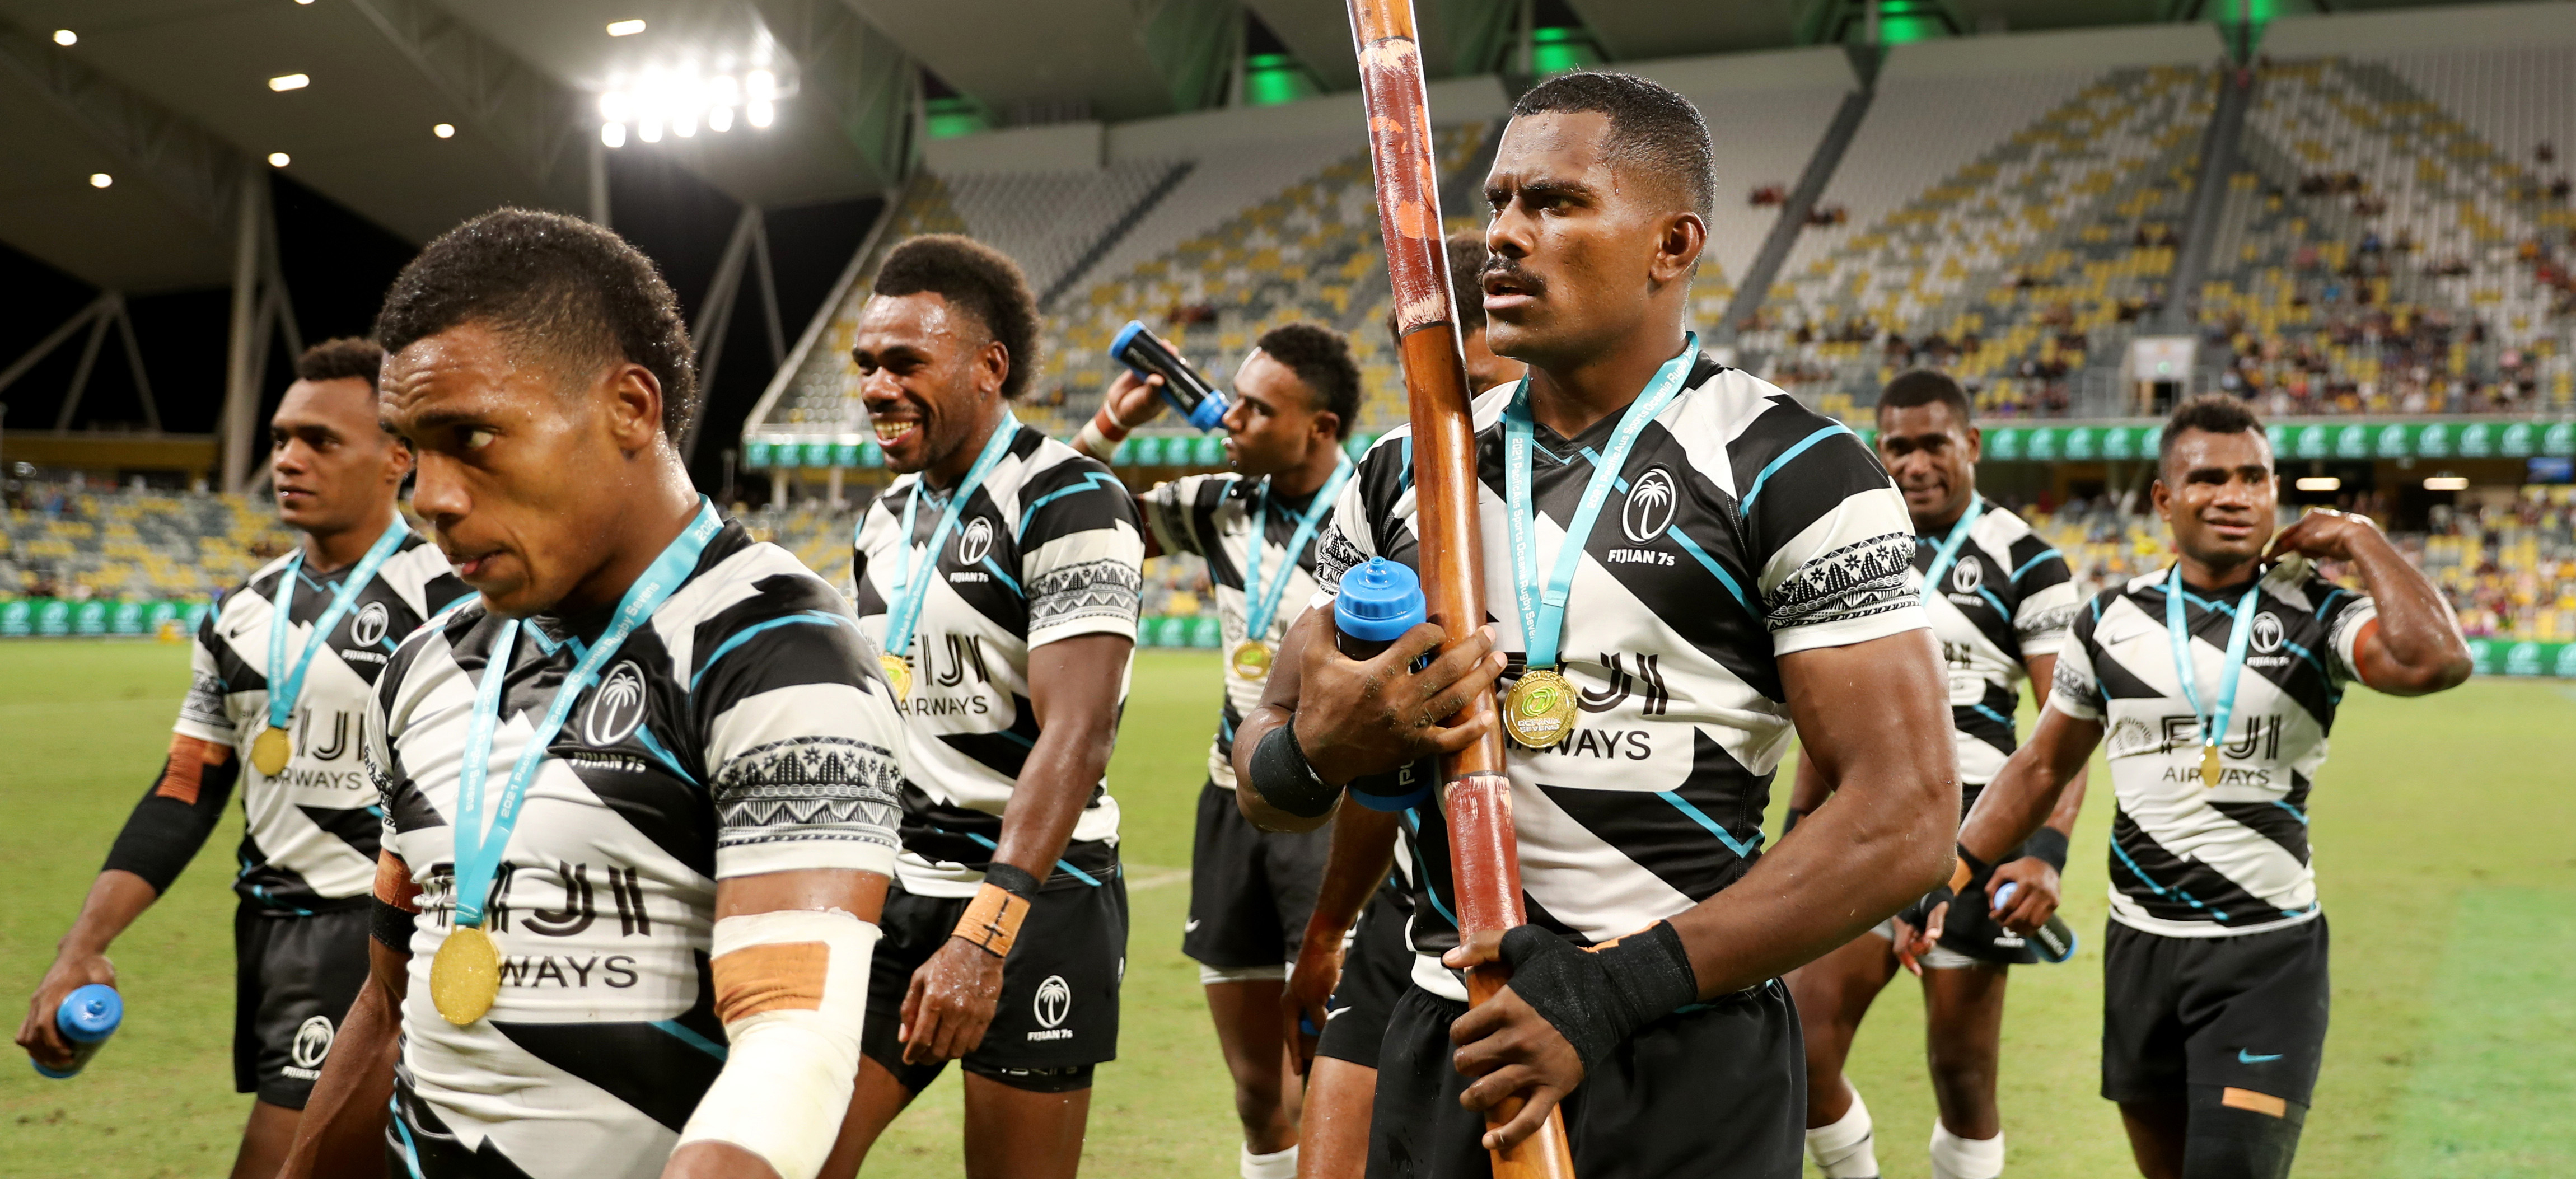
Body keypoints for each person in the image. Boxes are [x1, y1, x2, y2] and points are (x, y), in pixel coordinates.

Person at [1232, 71, 1959, 1177]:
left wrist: (1612, 990)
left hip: (1684, 1045)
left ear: (1673, 244)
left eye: (1556, 202)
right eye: (1499, 202)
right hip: (1450, 1033)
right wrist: (1316, 750)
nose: (1504, 235)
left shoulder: (1795, 469)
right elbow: (1266, 772)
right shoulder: (1403, 473)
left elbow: (1906, 816)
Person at [276, 209, 908, 1179]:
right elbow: (391, 1001)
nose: (431, 497)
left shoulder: (779, 650)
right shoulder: (426, 662)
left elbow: (793, 1036)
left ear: (629, 407)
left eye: (471, 436)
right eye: (412, 449)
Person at [1953, 394, 2471, 1179]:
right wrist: (1950, 876)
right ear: (2164, 499)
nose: (2235, 495)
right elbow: (2042, 765)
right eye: (2209, 478)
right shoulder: (2108, 620)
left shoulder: (2319, 613)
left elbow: (2437, 661)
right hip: (2141, 950)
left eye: (2254, 477)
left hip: (2266, 957)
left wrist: (2360, 537)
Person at [16, 338, 464, 1179]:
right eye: (281, 438)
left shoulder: (455, 603)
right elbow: (186, 788)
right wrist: (83, 943)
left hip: (376, 930)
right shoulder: (238, 614)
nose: (289, 459)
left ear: (397, 458)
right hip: (267, 931)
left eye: (321, 440)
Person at [830, 235, 1143, 1179]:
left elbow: (1078, 734)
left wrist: (985, 933)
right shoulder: (885, 518)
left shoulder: (1071, 499)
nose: (877, 386)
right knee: (790, 1154)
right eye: (866, 364)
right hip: (902, 891)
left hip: (1037, 898)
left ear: (988, 366)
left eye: (905, 362)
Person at [1068, 320, 1364, 1179]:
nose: (1227, 417)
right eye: (1231, 399)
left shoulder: (1376, 511)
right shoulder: (1219, 502)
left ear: (1320, 427)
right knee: (1255, 1090)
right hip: (1228, 804)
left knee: (1327, 1077)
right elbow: (1068, 520)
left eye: (1255, 408)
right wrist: (1109, 428)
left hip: (1333, 817)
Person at [1783, 369, 2088, 1179]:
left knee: (1962, 1074)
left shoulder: (2028, 559)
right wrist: (1793, 831)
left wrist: (2044, 853)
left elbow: (2064, 732)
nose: (1915, 464)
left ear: (1971, 444)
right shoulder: (1853, 549)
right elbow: (1829, 709)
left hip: (1975, 840)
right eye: (1898, 447)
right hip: (1864, 827)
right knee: (1802, 1045)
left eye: (1933, 444)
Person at [1284, 231, 1528, 1179]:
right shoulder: (1394, 479)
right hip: (1413, 905)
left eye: (1475, 380)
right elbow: (1364, 763)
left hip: (1569, 931)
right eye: (1420, 381)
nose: (1460, 417)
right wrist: (1326, 930)